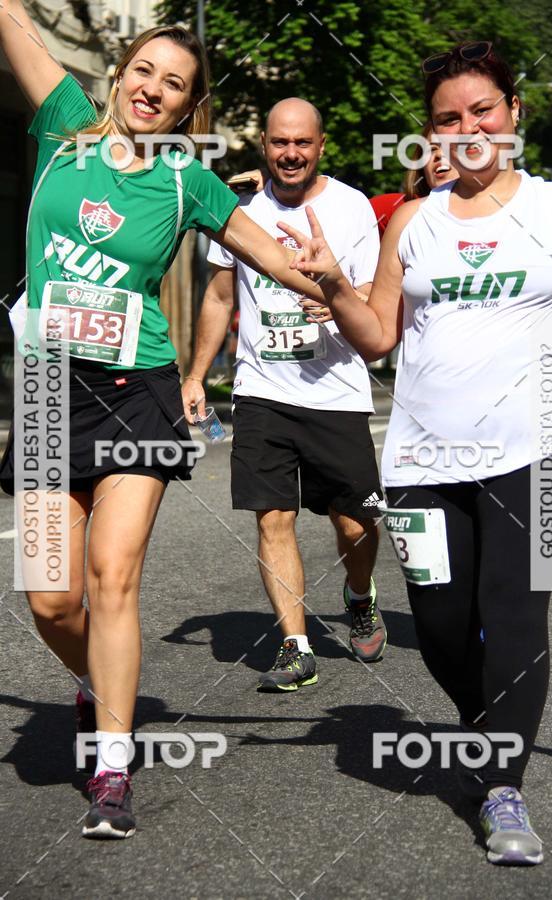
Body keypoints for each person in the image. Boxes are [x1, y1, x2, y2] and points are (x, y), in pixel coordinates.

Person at [0, 10, 328, 838]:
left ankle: (113, 764)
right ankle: (98, 687)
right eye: (145, 71)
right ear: (120, 74)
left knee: (113, 575)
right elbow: (17, 26)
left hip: (136, 386)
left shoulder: (188, 179)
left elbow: (264, 251)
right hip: (46, 386)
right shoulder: (64, 126)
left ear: (187, 111)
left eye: (174, 85)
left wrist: (332, 287)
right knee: (48, 597)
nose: (153, 90)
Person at [278, 41, 552, 866]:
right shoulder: (413, 222)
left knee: (518, 619)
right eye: (448, 119)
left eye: (483, 111)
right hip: (424, 458)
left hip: (551, 447)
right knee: (444, 625)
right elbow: (379, 332)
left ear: (513, 112)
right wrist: (335, 288)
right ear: (430, 133)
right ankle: (486, 733)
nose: (468, 129)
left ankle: (501, 783)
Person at [182, 97, 386, 692]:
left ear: (321, 146)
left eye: (302, 143)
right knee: (273, 516)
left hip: (336, 391)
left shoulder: (351, 209)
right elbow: (220, 298)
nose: (290, 153)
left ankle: (359, 593)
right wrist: (197, 374)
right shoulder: (237, 209)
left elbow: (375, 288)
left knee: (354, 525)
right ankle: (296, 646)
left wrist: (340, 297)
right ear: (265, 146)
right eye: (279, 142)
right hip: (262, 390)